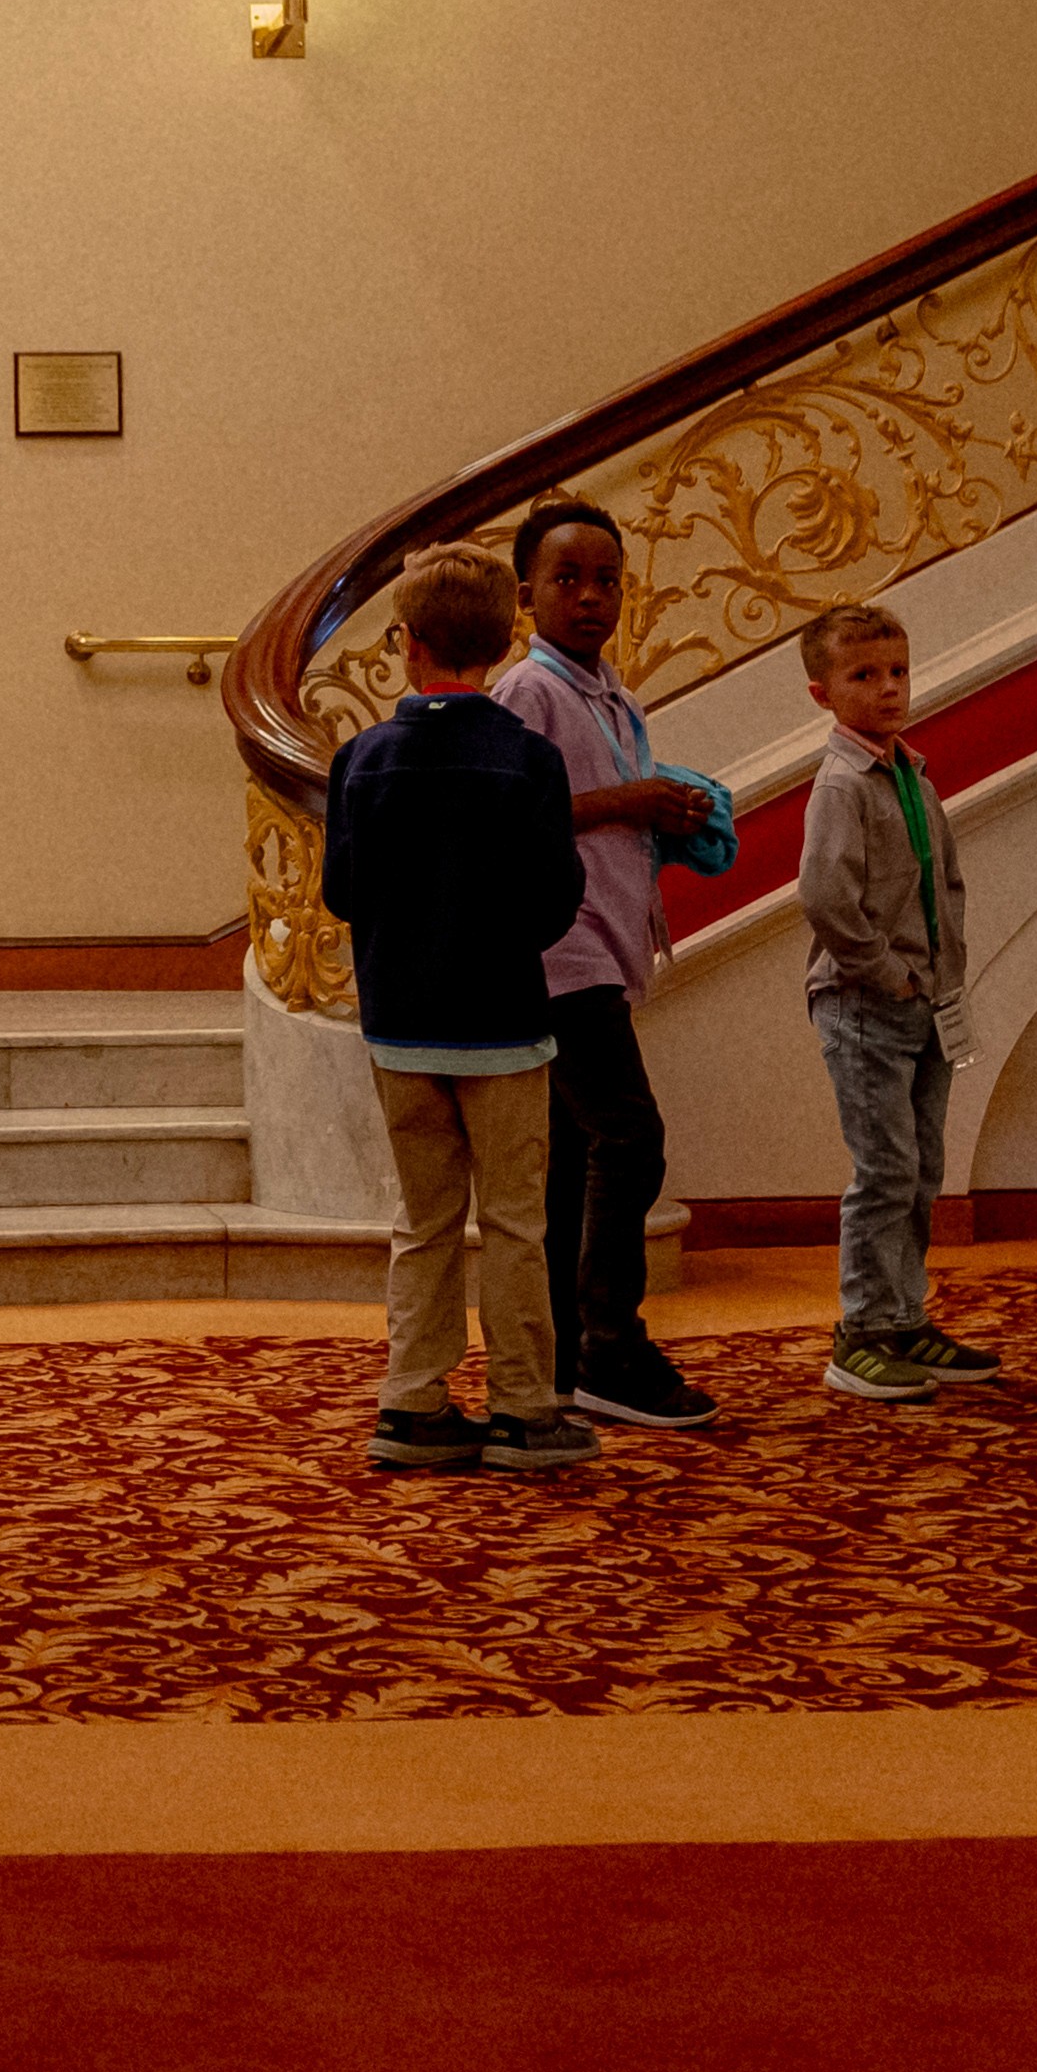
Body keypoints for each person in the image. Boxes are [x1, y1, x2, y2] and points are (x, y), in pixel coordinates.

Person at [326, 550, 594, 1474]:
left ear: (408, 644)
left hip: (400, 1025)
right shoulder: (527, 757)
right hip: (504, 1023)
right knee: (517, 1219)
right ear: (505, 637)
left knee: (422, 1217)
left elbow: (342, 891)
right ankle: (523, 1406)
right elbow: (556, 897)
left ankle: (411, 1399)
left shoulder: (359, 759)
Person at [498, 499, 735, 1431]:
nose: (591, 597)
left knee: (571, 1162)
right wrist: (632, 796)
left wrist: (665, 816)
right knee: (629, 1139)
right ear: (525, 594)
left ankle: (557, 1354)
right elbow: (523, 813)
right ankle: (610, 1346)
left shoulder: (613, 694)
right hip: (561, 950)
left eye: (607, 581)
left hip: (607, 941)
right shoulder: (530, 691)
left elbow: (600, 809)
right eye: (568, 580)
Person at [787, 601, 993, 1407]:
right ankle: (862, 1329)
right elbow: (824, 896)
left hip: (925, 998)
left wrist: (943, 976)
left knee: (922, 1168)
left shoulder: (908, 768)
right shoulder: (842, 782)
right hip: (866, 1003)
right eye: (863, 676)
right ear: (821, 692)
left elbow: (942, 882)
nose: (887, 689)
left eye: (897, 671)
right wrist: (883, 971)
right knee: (884, 1169)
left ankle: (905, 1315)